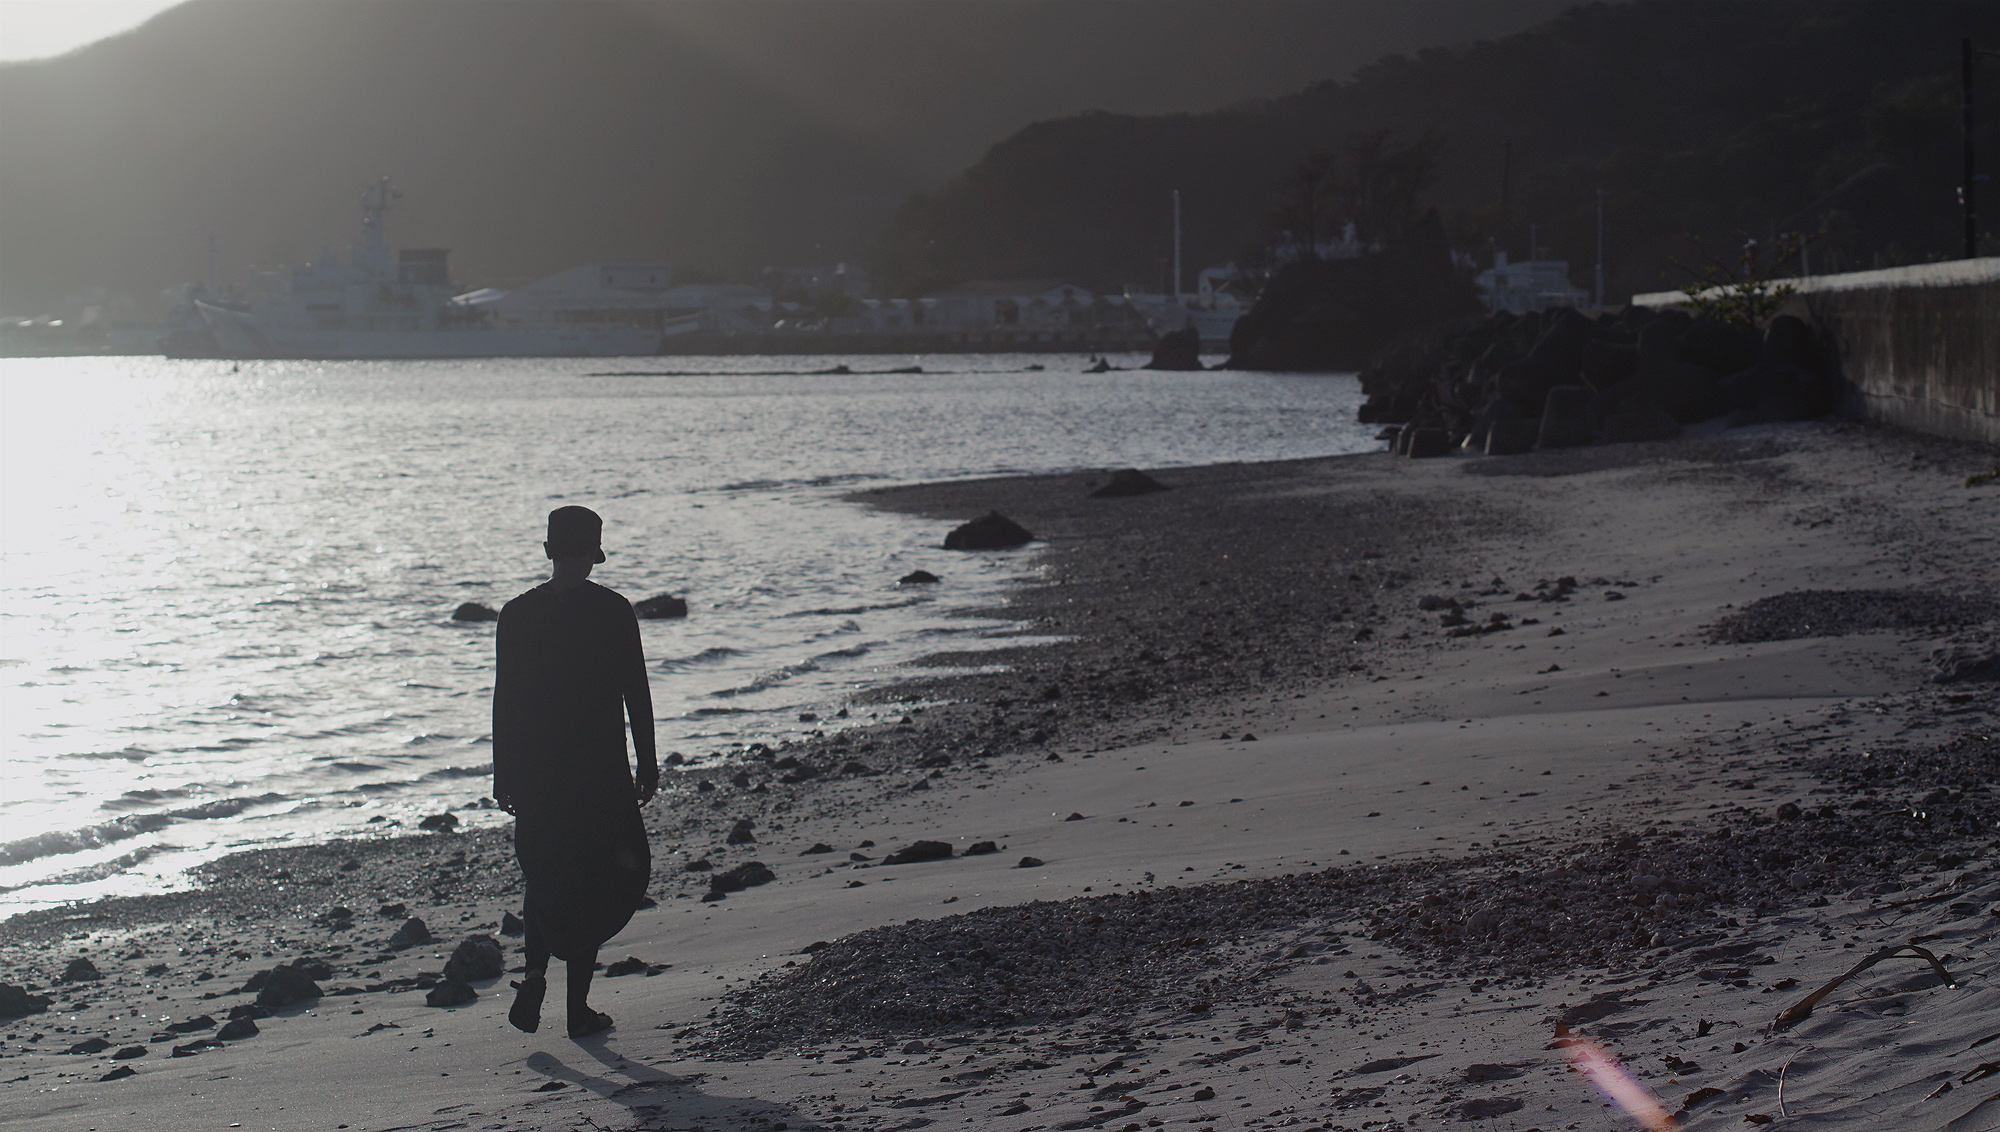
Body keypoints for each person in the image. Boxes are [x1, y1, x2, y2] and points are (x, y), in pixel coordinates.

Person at [492, 505, 658, 1039]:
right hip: (598, 769)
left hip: (537, 773)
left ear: (548, 552)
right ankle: (577, 1010)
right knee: (596, 878)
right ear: (593, 555)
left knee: (545, 872)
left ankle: (533, 976)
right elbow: (636, 691)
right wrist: (648, 760)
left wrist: (503, 774)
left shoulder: (516, 615)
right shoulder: (613, 610)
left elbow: (504, 702)